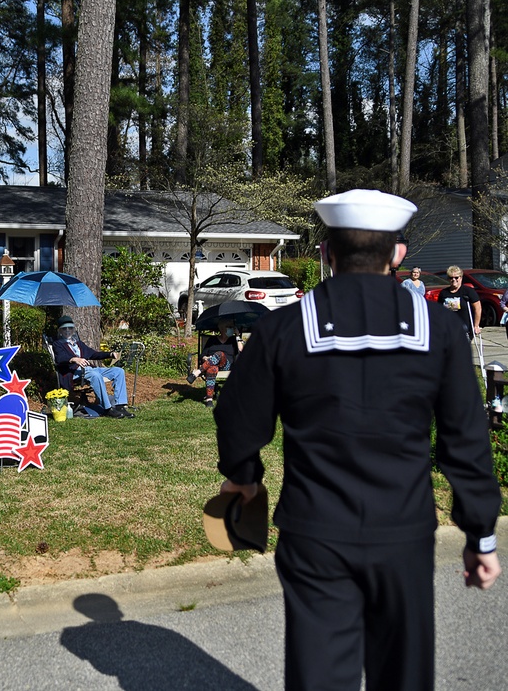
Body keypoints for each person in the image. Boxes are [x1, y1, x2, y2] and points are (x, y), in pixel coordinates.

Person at [213, 189, 501, 691]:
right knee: (404, 675)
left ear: (326, 251)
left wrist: (244, 480)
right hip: (404, 533)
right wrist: (480, 534)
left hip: (314, 533)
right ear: (398, 254)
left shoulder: (283, 327)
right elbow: (466, 439)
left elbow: (237, 418)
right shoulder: (437, 328)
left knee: (321, 677)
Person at [51, 315, 134, 419]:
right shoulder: (58, 344)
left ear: (73, 329)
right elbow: (60, 358)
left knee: (118, 371)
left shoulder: (78, 343)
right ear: (60, 331)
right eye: (64, 328)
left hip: (89, 369)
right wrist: (74, 359)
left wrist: (110, 354)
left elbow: (93, 354)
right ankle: (108, 408)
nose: (67, 330)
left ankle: (120, 406)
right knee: (95, 375)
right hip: (73, 372)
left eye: (70, 328)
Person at [186, 318, 243, 407]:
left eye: (232, 327)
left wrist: (237, 335)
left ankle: (197, 372)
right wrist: (206, 358)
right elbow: (203, 355)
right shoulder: (212, 340)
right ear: (223, 329)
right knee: (212, 369)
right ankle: (209, 400)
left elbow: (241, 351)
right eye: (229, 327)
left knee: (220, 354)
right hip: (212, 364)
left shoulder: (233, 341)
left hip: (226, 365)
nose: (231, 329)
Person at [437, 265, 482, 340]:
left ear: (461, 278)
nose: (453, 280)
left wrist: (476, 326)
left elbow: (477, 308)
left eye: (456, 277)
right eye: (451, 278)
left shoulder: (468, 291)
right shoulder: (444, 293)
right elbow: (439, 311)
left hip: (465, 328)